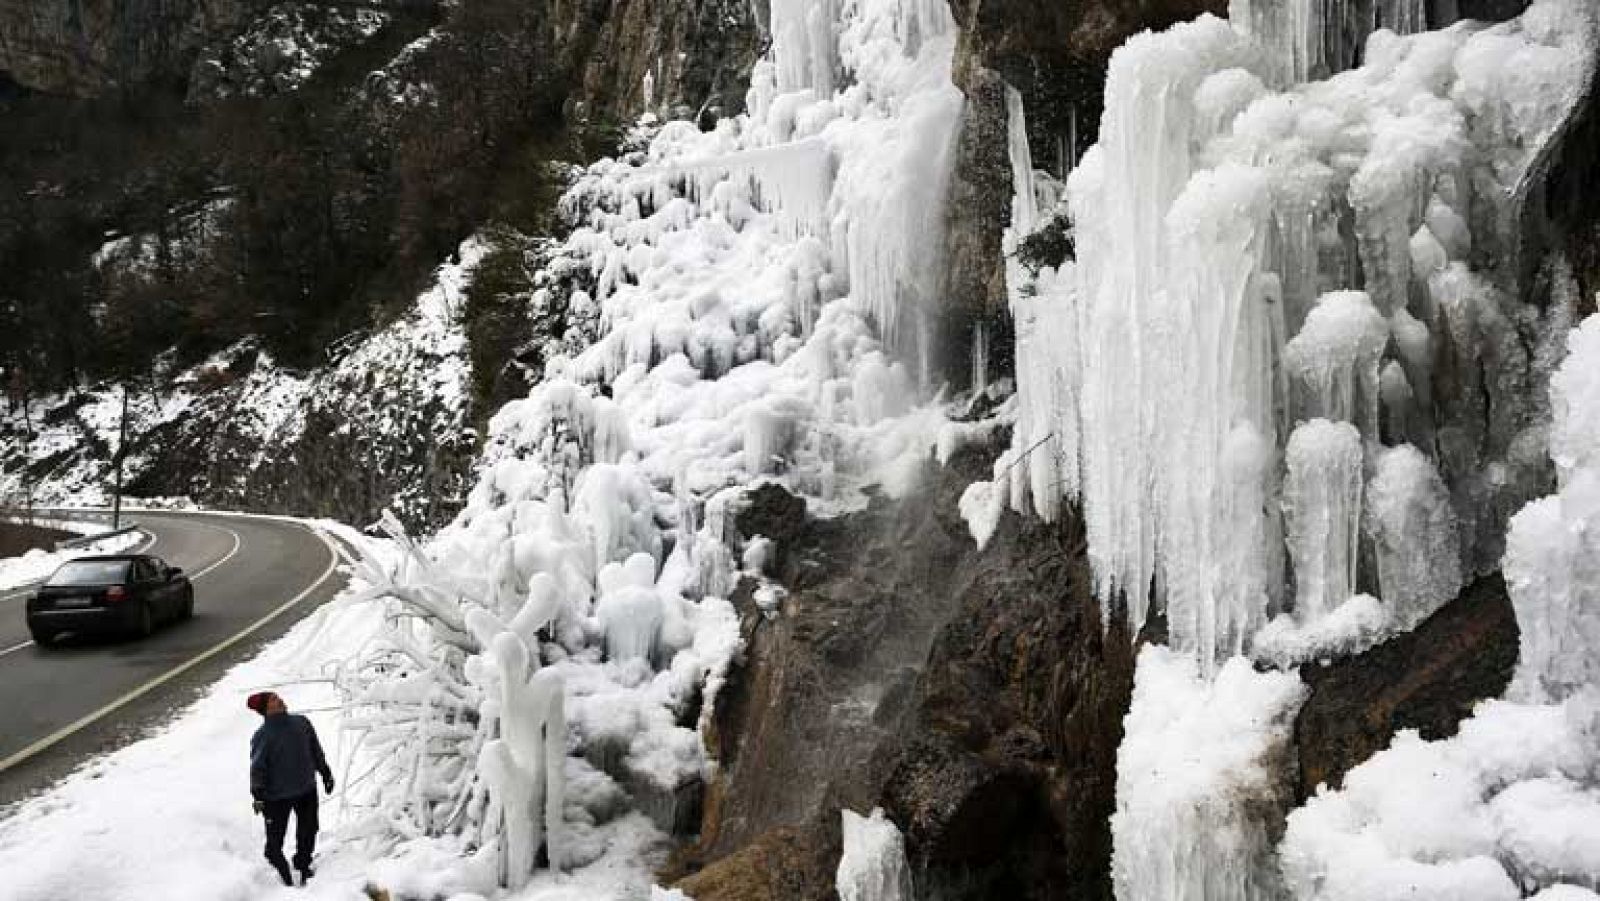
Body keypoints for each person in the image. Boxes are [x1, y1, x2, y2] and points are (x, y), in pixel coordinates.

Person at [247, 691, 335, 887]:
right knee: (274, 841)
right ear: (266, 709)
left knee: (309, 831)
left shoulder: (302, 723)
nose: (280, 700)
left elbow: (315, 749)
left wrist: (325, 772)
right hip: (276, 797)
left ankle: (303, 865)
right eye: (273, 700)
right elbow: (257, 768)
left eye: (278, 697)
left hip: (306, 790)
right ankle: (280, 874)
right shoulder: (262, 736)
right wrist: (258, 795)